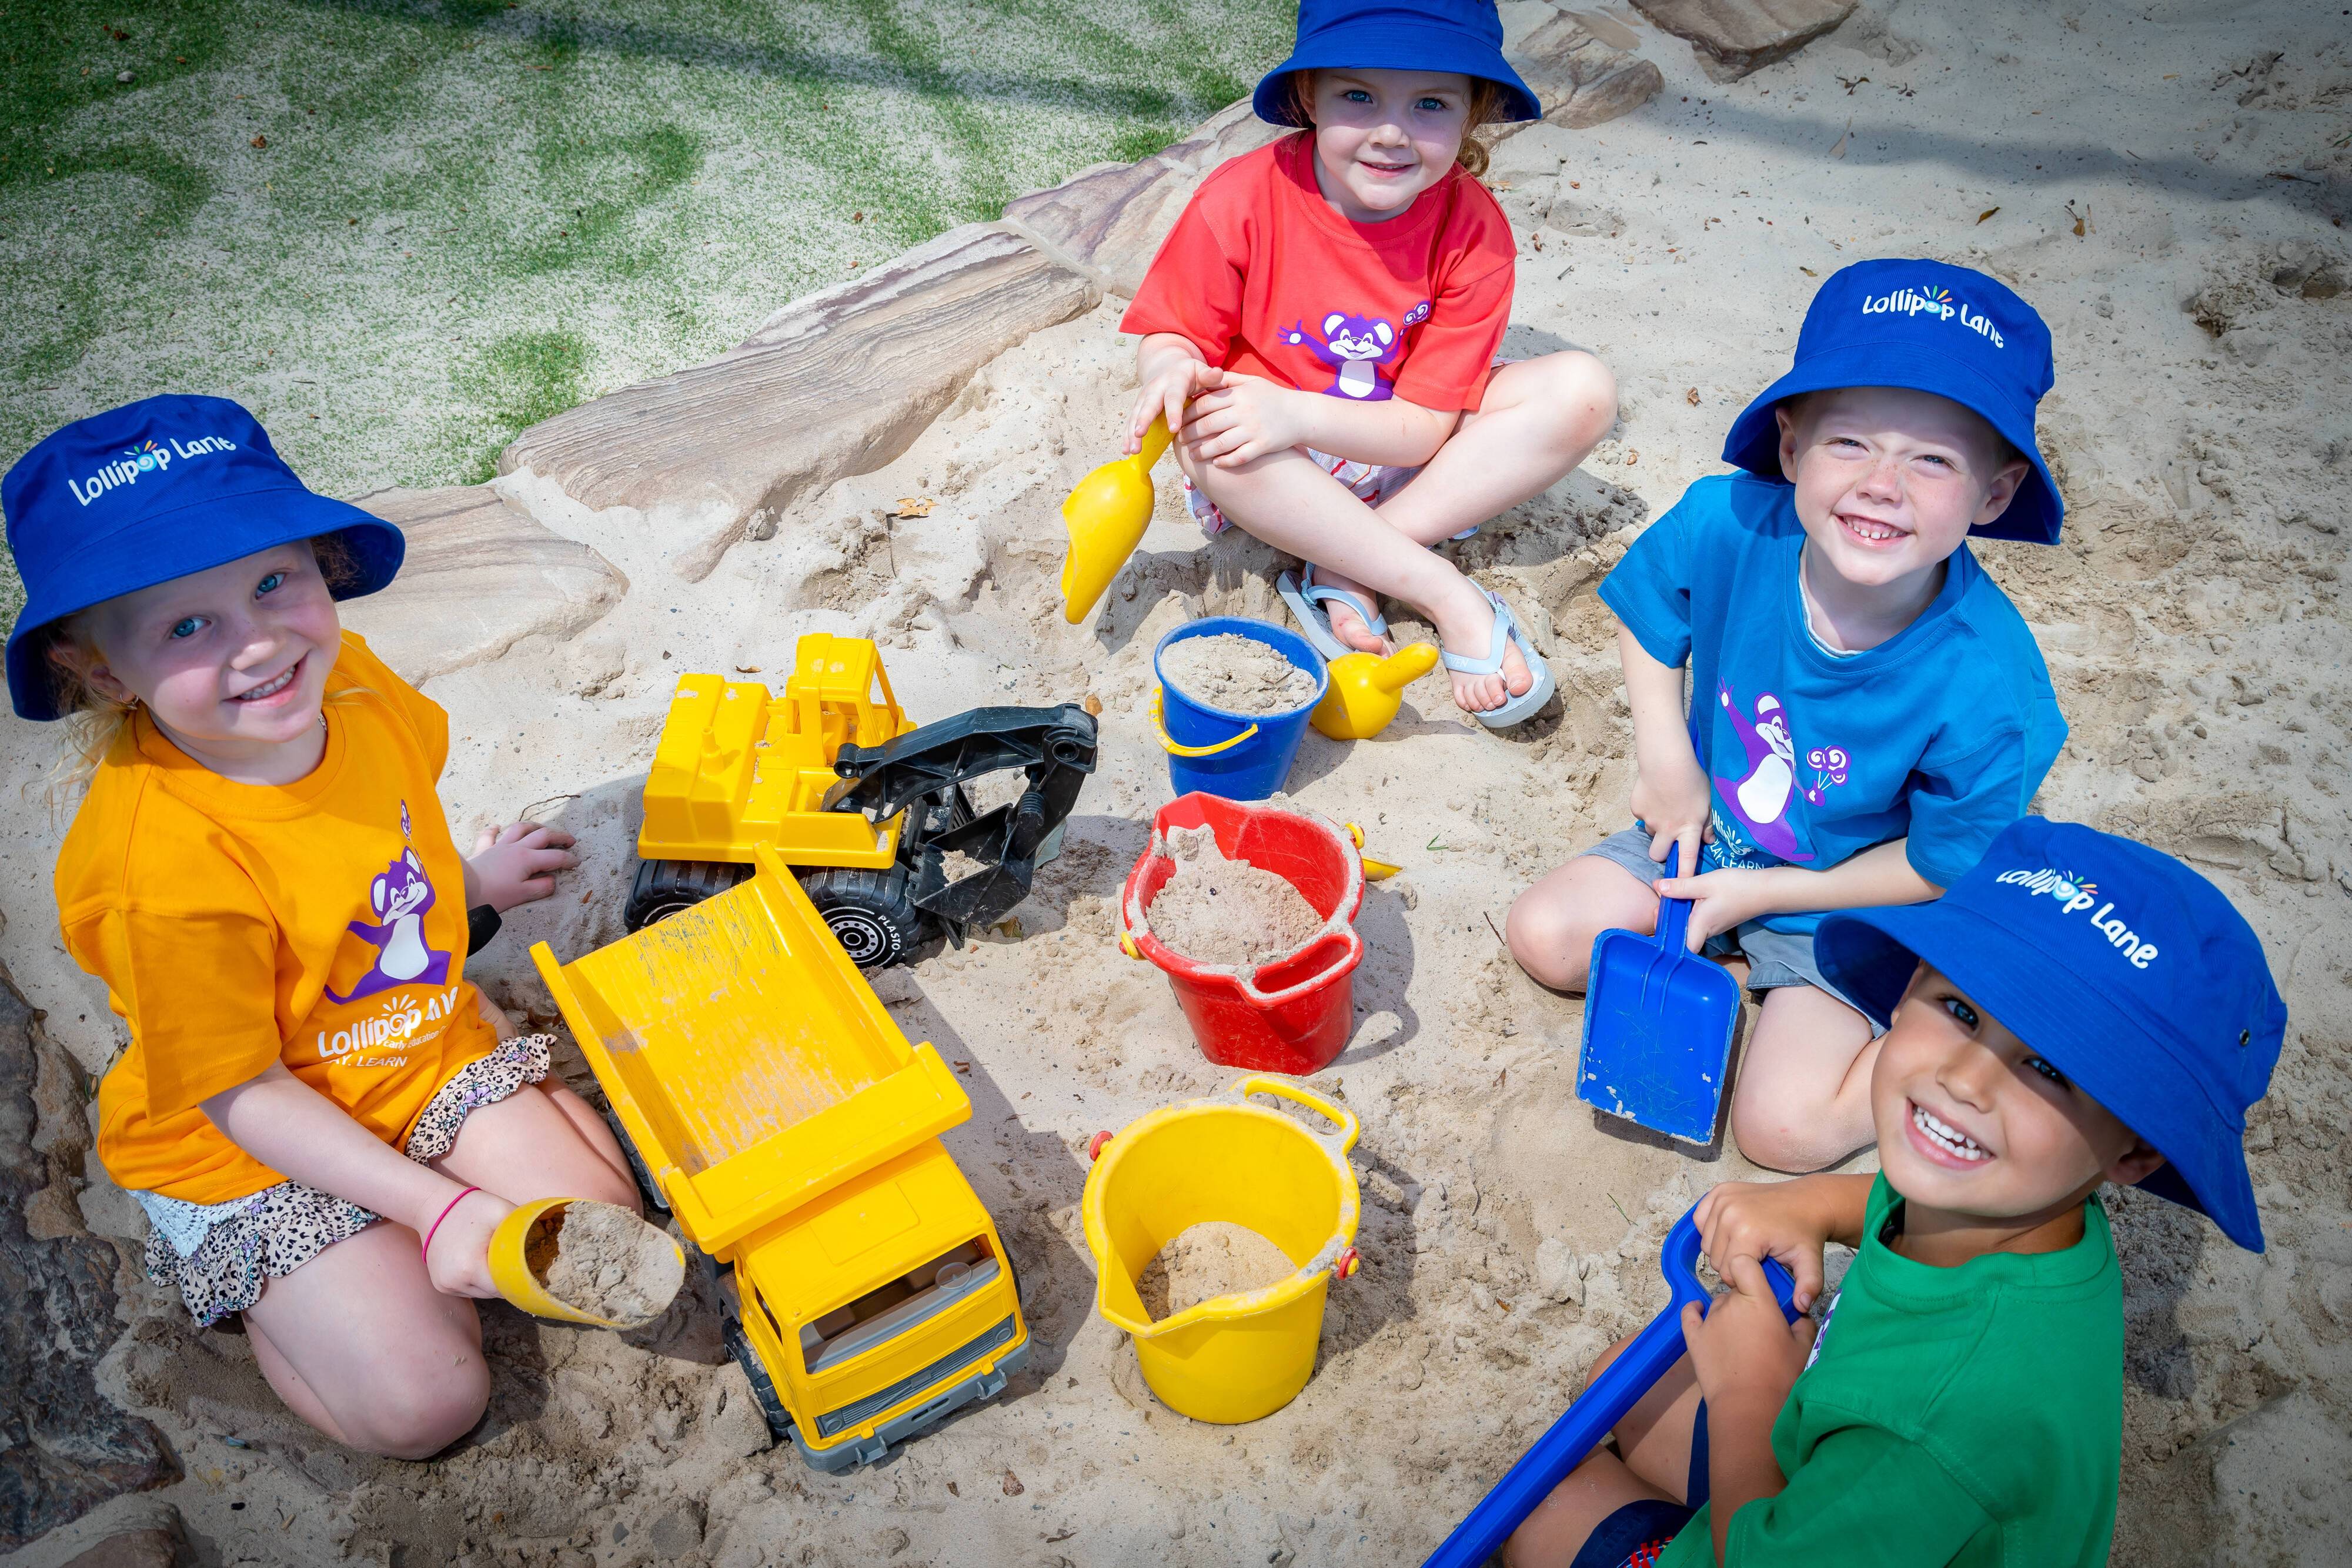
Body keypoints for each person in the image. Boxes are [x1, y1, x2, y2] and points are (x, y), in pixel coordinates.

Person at [5, 396, 636, 1459]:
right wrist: (430, 1210)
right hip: (249, 1134)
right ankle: (293, 1285)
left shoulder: (351, 684)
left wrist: (468, 882)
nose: (261, 643)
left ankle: (392, 1234)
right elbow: (243, 1092)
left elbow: (373, 845)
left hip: (403, 1044)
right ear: (103, 671)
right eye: (189, 624)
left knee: (593, 1228)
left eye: (271, 581)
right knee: (426, 1403)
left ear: (317, 563)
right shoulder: (155, 868)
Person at [1505, 817, 2287, 1568]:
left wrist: (1750, 1392)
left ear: (2137, 1148)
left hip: (1806, 1526)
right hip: (1842, 1476)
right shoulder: (2020, 1201)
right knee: (1622, 1379)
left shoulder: (1949, 1421)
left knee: (1541, 1508)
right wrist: (1814, 1203)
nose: (1964, 1079)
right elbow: (1903, 1197)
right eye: (1961, 1011)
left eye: (2050, 1068)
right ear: (1913, 983)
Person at [1506, 258, 2068, 1169]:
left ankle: (1962, 1024)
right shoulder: (1730, 522)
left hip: (1836, 901)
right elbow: (1650, 617)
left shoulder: (1990, 685)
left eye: (1933, 459)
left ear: (1996, 494)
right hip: (1707, 839)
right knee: (1547, 936)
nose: (1884, 484)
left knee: (1786, 1132)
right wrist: (1668, 764)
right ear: (1793, 446)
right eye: (1851, 443)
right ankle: (1736, 974)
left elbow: (1936, 861)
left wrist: (1770, 894)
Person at [1119, 0, 1618, 728]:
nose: (1391, 133)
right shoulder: (1243, 197)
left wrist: (1300, 410)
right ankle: (1442, 590)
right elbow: (1174, 331)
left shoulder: (1472, 230)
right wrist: (1166, 366)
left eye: (1430, 104)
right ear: (1308, 98)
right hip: (1272, 459)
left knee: (1584, 389)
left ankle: (1350, 564)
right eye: (1358, 95)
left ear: (1471, 113)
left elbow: (1421, 429)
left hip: (1401, 443)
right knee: (1201, 427)